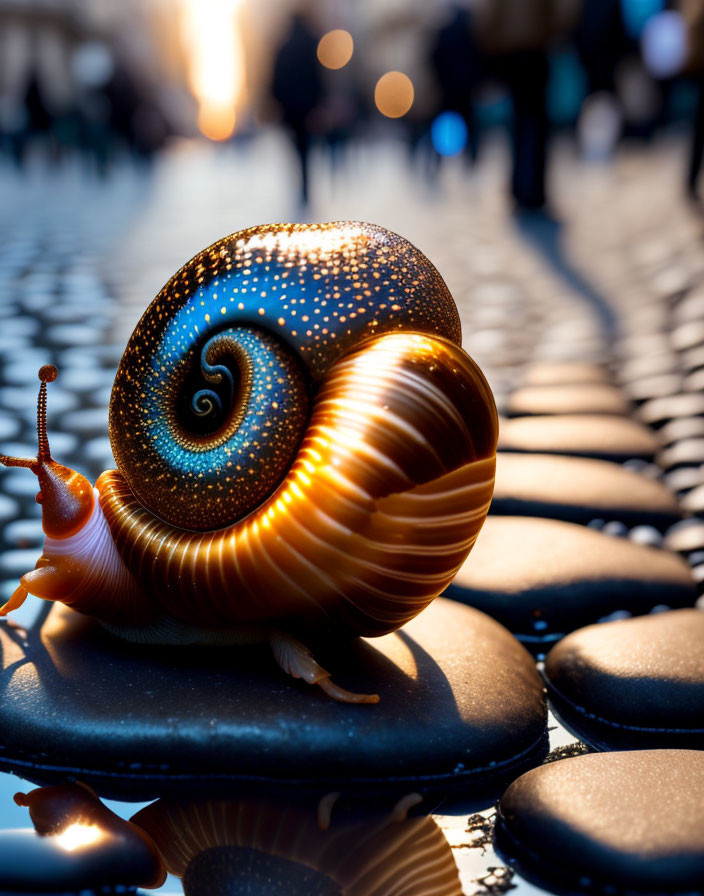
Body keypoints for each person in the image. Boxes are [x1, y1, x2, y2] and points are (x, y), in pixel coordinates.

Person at [474, 0, 580, 210]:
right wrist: (550, 33)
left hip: (511, 53)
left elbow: (487, 19)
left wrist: (492, 46)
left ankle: (519, 186)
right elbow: (563, 12)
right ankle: (536, 189)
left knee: (518, 121)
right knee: (538, 123)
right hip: (537, 50)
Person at [272, 12, 324, 206]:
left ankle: (302, 187)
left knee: (297, 149)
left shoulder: (283, 47)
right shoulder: (311, 43)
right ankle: (306, 187)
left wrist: (278, 105)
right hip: (308, 108)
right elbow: (318, 77)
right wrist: (318, 102)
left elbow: (275, 80)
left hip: (290, 110)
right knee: (306, 149)